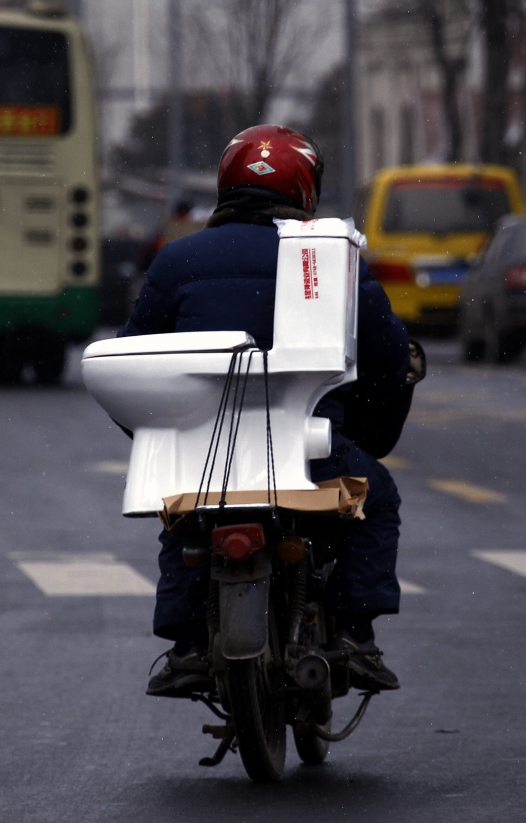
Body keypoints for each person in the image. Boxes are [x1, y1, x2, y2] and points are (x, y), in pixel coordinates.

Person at [117, 125, 413, 697]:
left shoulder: (177, 259)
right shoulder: (329, 255)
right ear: (306, 188)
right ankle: (356, 636)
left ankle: (186, 648)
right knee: (376, 499)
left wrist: (163, 437)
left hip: (204, 461)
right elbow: (387, 357)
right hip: (311, 461)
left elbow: (133, 361)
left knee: (183, 517)